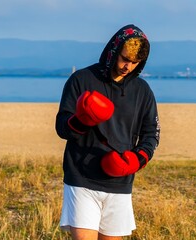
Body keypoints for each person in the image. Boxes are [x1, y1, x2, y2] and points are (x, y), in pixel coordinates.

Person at [55, 24, 160, 240]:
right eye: (124, 59)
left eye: (134, 62)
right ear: (113, 51)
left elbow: (151, 134)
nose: (127, 66)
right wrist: (81, 120)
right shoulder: (81, 80)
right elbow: (61, 127)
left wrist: (137, 159)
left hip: (120, 182)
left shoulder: (143, 91)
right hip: (81, 178)